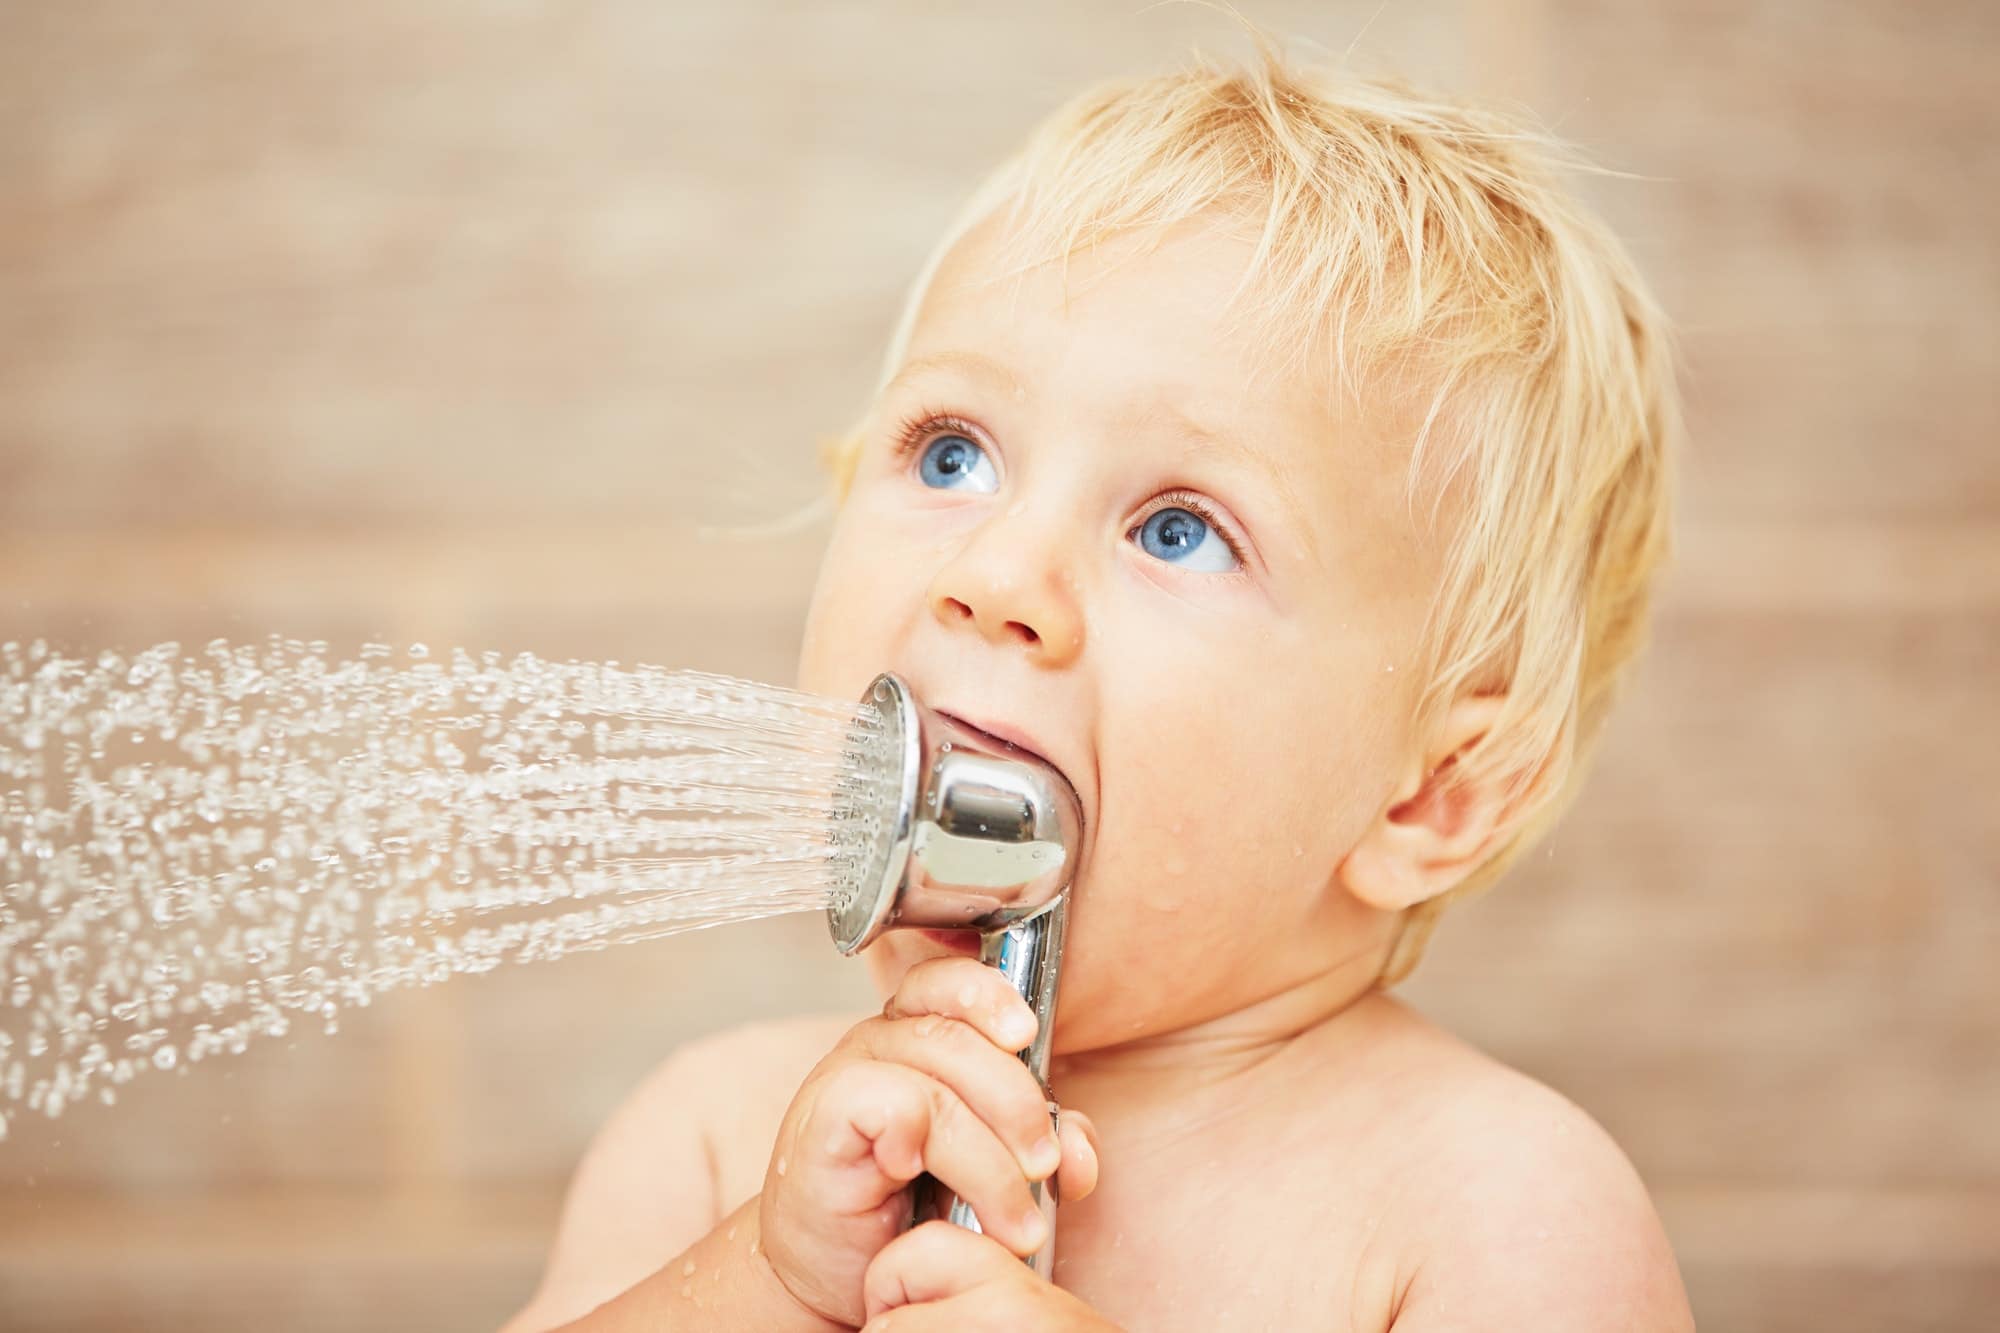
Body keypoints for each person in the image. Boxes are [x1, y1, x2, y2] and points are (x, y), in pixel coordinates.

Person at [505, 27, 1693, 1332]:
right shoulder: (720, 1142)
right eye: (953, 454)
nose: (998, 570)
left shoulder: (1491, 1211)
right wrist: (764, 1282)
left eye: (1178, 529)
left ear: (1434, 795)